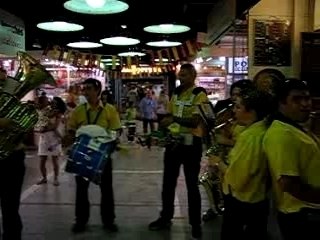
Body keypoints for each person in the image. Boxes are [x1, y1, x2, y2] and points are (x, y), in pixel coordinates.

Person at [148, 63, 208, 239]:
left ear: (193, 76)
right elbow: (169, 115)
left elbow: (196, 121)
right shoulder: (175, 93)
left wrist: (174, 118)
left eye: (185, 75)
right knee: (168, 183)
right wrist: (161, 132)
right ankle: (165, 217)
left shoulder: (199, 94)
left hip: (191, 146)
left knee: (191, 185)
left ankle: (196, 224)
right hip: (173, 144)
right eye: (180, 75)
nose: (181, 78)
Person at [263, 79, 320, 240]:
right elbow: (288, 183)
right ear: (282, 103)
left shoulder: (295, 127)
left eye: (307, 98)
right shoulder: (282, 134)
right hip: (302, 215)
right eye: (296, 99)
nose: (305, 104)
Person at [64, 78, 121, 233]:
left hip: (102, 157)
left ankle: (109, 221)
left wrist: (111, 142)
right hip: (82, 155)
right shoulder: (78, 110)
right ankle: (80, 221)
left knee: (106, 190)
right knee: (81, 190)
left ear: (97, 90)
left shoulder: (109, 110)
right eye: (84, 89)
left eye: (89, 88)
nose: (85, 92)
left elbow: (116, 130)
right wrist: (69, 142)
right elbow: (71, 130)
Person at [220, 87, 272, 240]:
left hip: (242, 202)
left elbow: (238, 180)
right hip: (259, 198)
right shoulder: (262, 129)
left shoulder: (249, 137)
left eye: (238, 107)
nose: (234, 111)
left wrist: (217, 163)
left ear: (251, 111)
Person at [37, 97, 67, 186]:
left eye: (54, 103)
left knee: (55, 160)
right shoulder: (46, 111)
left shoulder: (59, 114)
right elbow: (41, 123)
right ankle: (44, 178)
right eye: (52, 102)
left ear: (58, 104)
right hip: (44, 138)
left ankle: (56, 178)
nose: (52, 104)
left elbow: (55, 126)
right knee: (42, 160)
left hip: (54, 139)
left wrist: (44, 129)